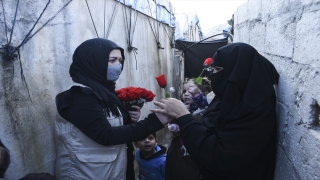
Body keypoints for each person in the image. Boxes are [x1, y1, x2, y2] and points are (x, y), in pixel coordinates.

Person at [152, 42, 279, 180]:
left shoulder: (255, 111)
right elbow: (211, 125)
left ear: (238, 72)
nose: (214, 75)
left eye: (218, 69)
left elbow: (221, 157)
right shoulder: (232, 96)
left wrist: (184, 118)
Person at [55, 38, 170, 180]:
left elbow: (111, 126)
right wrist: (155, 121)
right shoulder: (80, 96)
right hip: (88, 173)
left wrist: (128, 118)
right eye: (112, 60)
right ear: (93, 62)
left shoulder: (105, 93)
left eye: (120, 61)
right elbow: (105, 135)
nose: (118, 66)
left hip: (111, 170)